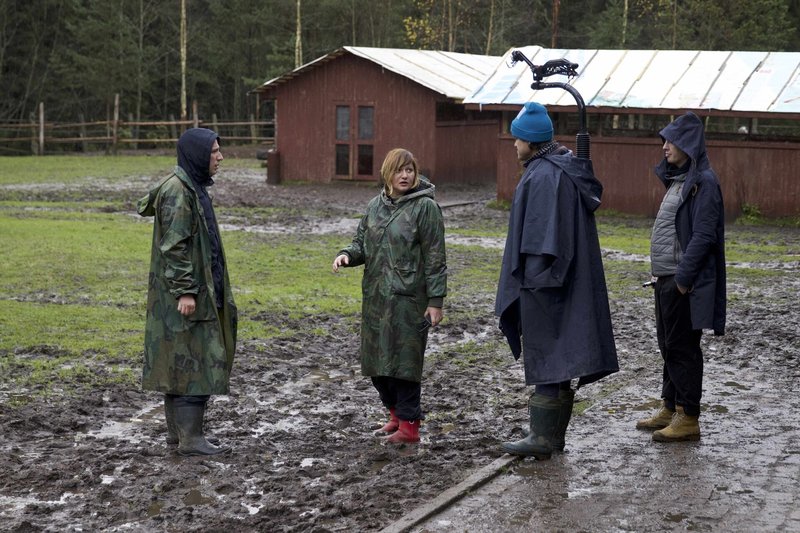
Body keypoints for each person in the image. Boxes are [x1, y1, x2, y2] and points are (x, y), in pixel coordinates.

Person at [496, 102, 619, 459]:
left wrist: (531, 282)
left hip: (546, 280)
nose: (514, 145)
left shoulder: (543, 175)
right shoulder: (560, 167)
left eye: (517, 138)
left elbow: (540, 236)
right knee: (562, 349)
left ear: (531, 141)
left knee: (549, 347)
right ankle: (551, 433)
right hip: (565, 277)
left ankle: (542, 437)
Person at [332, 148, 447, 444]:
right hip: (376, 298)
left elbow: (435, 257)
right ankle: (395, 415)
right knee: (377, 363)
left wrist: (435, 301)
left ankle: (410, 426)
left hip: (409, 299)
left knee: (404, 363)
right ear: (387, 174)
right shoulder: (375, 206)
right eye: (399, 170)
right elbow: (361, 242)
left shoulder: (426, 208)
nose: (405, 175)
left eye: (410, 170)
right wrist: (347, 254)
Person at [137, 127, 238, 456]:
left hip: (197, 292)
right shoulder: (179, 192)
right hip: (188, 297)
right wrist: (186, 292)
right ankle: (190, 439)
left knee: (181, 364)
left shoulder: (192, 187)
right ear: (197, 155)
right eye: (214, 152)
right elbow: (176, 248)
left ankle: (179, 435)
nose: (220, 158)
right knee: (195, 362)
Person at [636, 112, 726, 442]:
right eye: (664, 140)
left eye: (672, 140)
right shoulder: (681, 180)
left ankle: (688, 417)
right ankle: (670, 406)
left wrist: (683, 279)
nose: (665, 146)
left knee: (682, 347)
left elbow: (704, 236)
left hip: (680, 281)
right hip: (666, 277)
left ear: (688, 144)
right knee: (668, 345)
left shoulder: (703, 182)